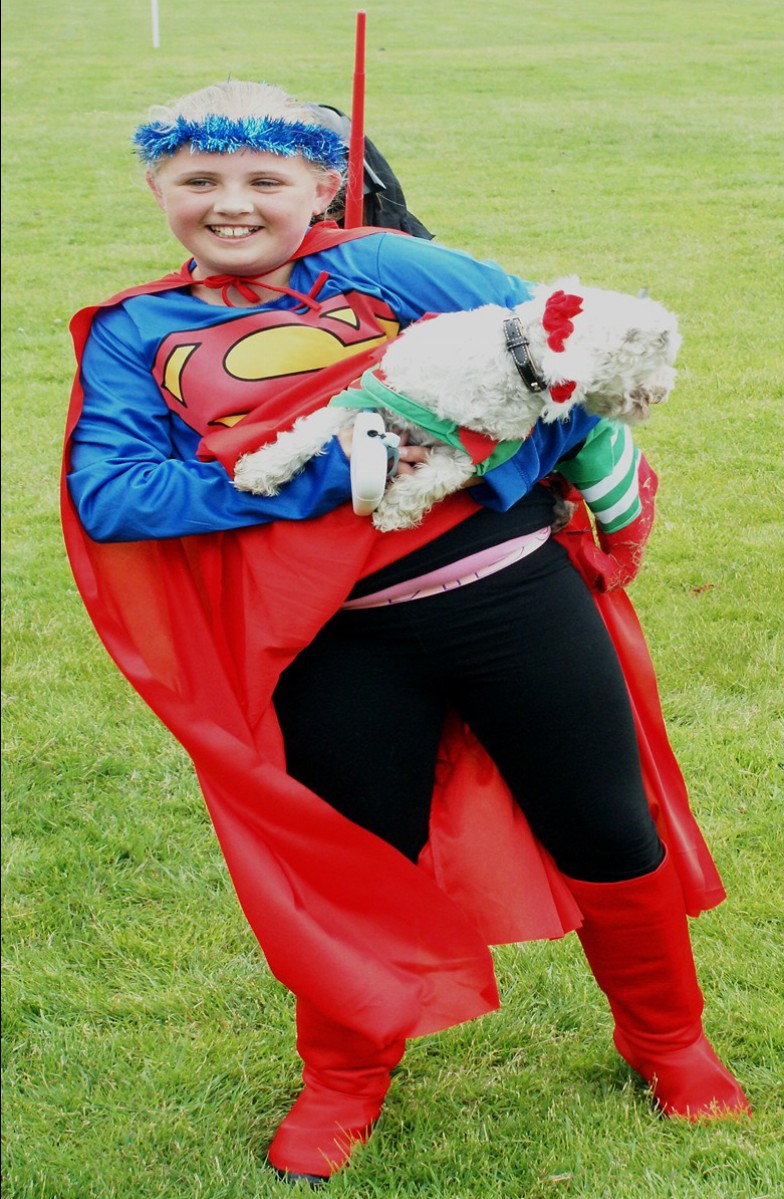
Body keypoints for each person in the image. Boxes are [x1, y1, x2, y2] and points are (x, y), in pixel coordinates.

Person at [61, 80, 749, 1187]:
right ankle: (344, 1076)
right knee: (353, 862)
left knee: (610, 830)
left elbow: (564, 360)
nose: (232, 203)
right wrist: (331, 475)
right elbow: (113, 494)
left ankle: (666, 1037)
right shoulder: (136, 331)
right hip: (335, 640)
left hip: (511, 598)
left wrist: (503, 453)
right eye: (200, 180)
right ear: (158, 189)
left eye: (265, 180)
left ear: (323, 187)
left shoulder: (389, 266)